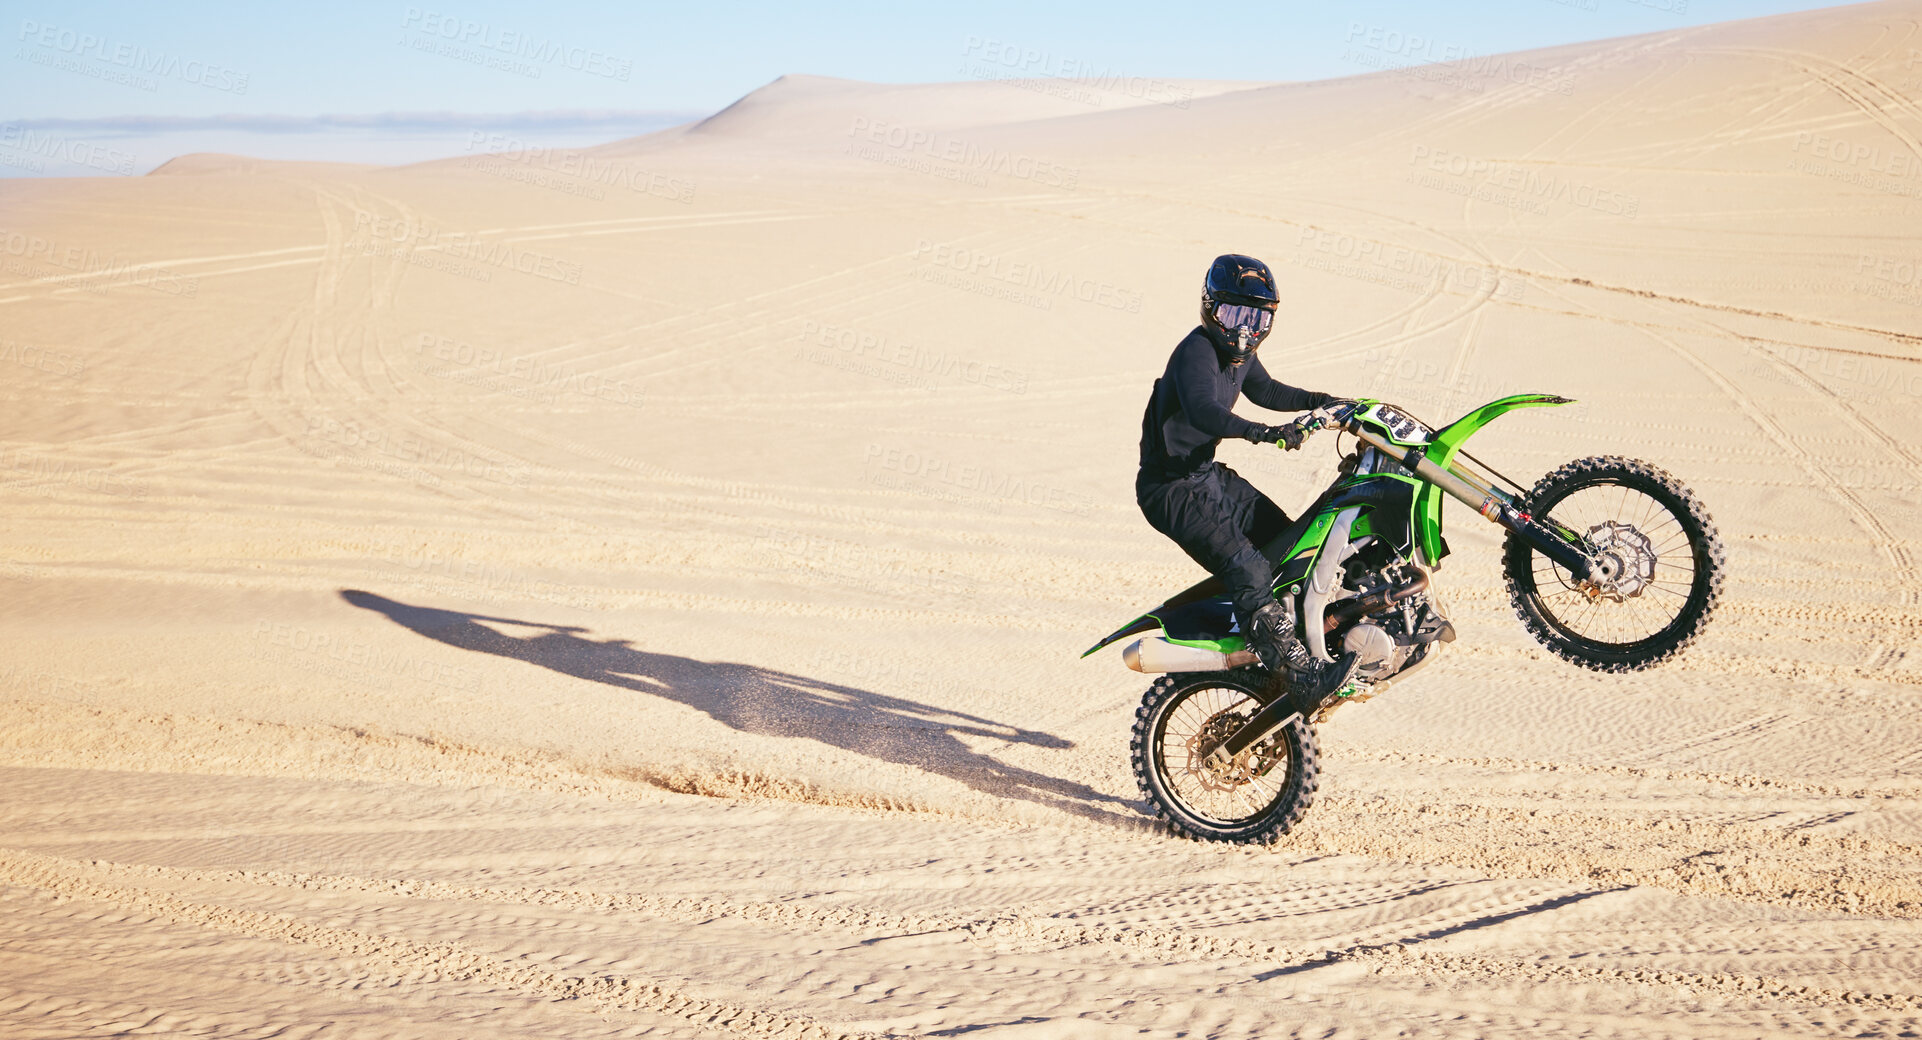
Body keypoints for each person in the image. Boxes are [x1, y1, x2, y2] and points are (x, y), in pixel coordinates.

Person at [1135, 254, 1342, 688]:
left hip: (1206, 474)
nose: (1244, 329)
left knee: (1286, 539)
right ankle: (1293, 672)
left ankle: (1307, 633)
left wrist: (1322, 400)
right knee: (1247, 569)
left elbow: (1265, 389)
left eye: (1256, 317)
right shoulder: (1197, 351)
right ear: (1210, 307)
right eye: (1234, 313)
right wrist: (1260, 433)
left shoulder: (1239, 355)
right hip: (1170, 490)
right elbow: (1204, 410)